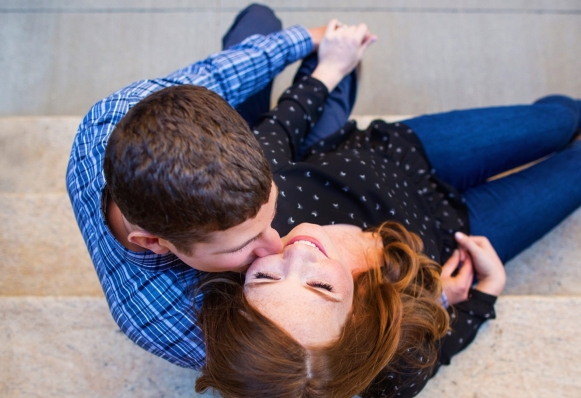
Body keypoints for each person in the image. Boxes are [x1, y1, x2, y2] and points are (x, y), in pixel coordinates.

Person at [192, 39, 581, 398]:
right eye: (321, 286)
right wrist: (481, 292)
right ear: (362, 318)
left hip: (402, 157)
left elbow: (277, 134)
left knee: (554, 121)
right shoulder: (391, 373)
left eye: (265, 279)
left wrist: (330, 69)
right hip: (459, 237)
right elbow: (444, 347)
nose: (296, 256)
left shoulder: (254, 216)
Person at [66, 4, 374, 368]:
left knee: (259, 19)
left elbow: (216, 76)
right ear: (154, 242)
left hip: (258, 144)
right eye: (244, 242)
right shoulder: (172, 321)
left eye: (270, 213)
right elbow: (290, 369)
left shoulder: (116, 116)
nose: (278, 243)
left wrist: (311, 37)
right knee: (341, 80)